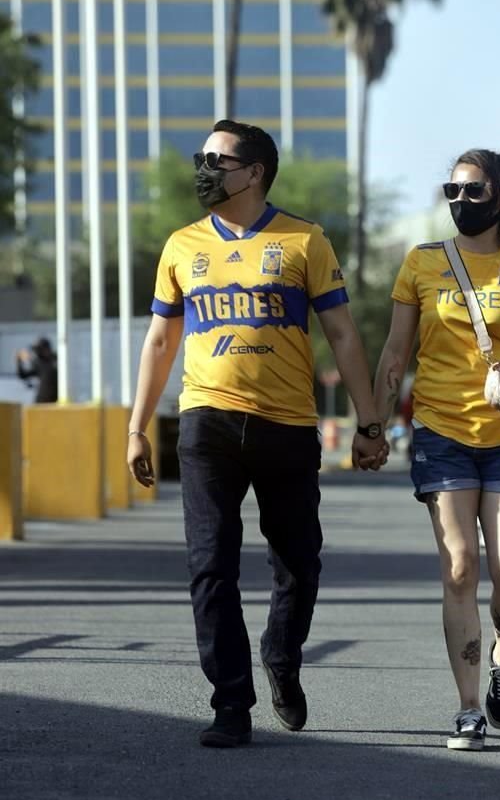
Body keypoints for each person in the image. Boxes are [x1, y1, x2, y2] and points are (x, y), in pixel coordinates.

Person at [127, 119, 388, 748]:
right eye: (202, 158)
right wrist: (137, 426)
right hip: (206, 420)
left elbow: (344, 335)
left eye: (218, 160)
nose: (205, 169)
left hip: (288, 424)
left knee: (298, 561)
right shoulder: (182, 245)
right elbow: (161, 339)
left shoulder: (304, 241)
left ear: (255, 172)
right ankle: (231, 704)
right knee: (208, 565)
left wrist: (369, 421)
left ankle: (282, 653)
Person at [374, 149, 500, 751]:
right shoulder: (422, 263)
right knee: (460, 567)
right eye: (452, 192)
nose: (461, 203)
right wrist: (373, 422)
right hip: (441, 434)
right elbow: (393, 354)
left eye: (474, 192)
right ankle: (467, 709)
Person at [16, 337, 58, 403]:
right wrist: (19, 361)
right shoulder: (38, 362)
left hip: (56, 401)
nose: (37, 352)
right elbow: (23, 375)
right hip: (41, 401)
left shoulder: (57, 359)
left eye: (38, 349)